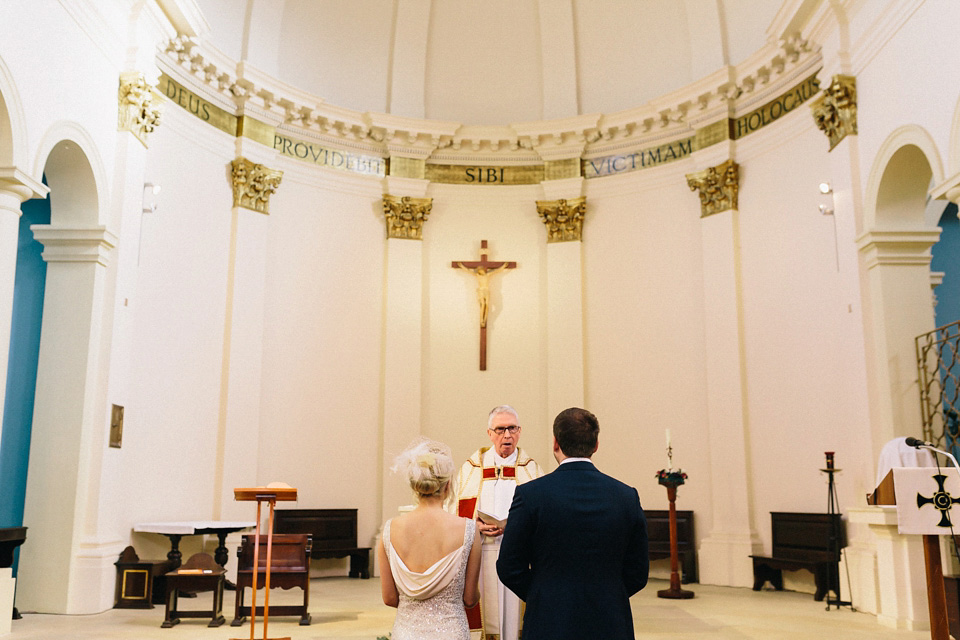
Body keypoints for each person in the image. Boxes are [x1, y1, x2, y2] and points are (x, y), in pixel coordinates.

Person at [496, 407, 649, 640]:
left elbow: (509, 566)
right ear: (596, 444)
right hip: (610, 620)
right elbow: (638, 571)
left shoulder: (531, 495)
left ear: (555, 443)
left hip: (548, 621)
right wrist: (608, 595)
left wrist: (543, 595)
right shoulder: (626, 496)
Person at [452, 405, 544, 640]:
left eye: (512, 428)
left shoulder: (531, 470)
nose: (507, 435)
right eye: (501, 429)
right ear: (490, 433)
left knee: (515, 615)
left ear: (520, 431)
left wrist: (517, 528)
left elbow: (543, 514)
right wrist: (475, 526)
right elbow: (454, 510)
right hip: (481, 551)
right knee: (485, 610)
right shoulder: (471, 469)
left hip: (519, 553)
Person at [379, 438, 483, 640]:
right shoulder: (468, 530)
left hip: (406, 633)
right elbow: (470, 599)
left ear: (415, 486)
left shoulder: (389, 530)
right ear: (448, 485)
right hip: (451, 632)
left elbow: (390, 598)